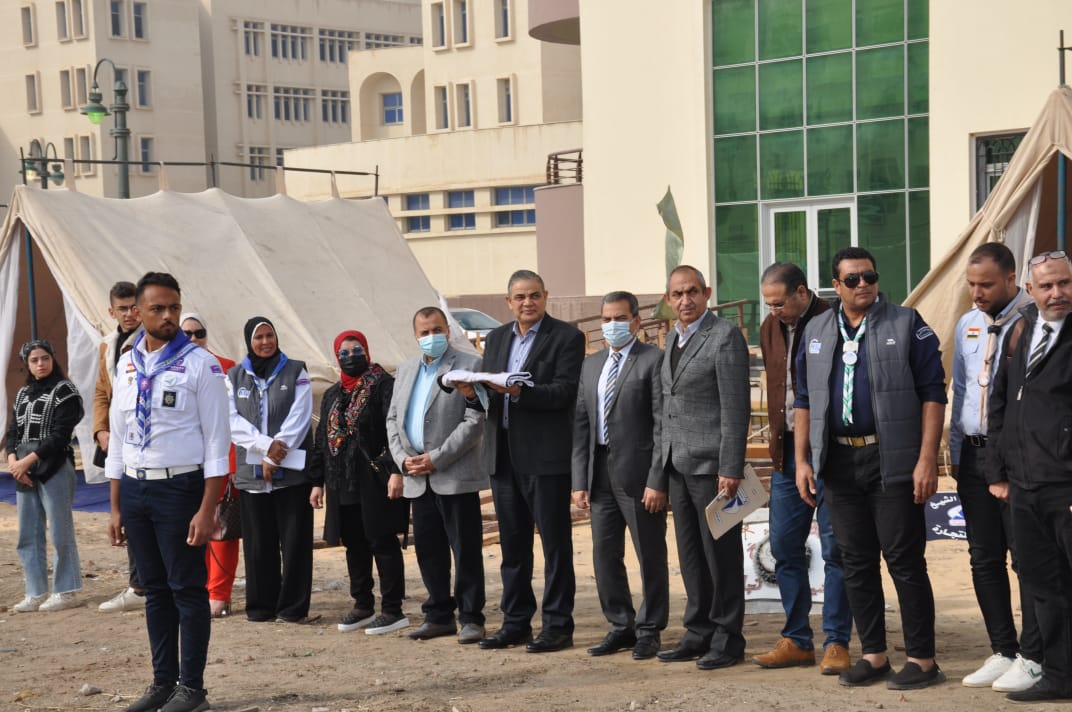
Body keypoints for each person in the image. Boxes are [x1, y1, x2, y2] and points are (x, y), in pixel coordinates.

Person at [794, 247, 947, 690]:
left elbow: (933, 393)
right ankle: (874, 655)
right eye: (853, 279)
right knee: (855, 562)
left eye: (870, 277)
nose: (863, 284)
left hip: (892, 459)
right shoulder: (816, 329)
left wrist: (926, 459)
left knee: (904, 561)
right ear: (835, 286)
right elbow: (803, 399)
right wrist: (803, 460)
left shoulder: (907, 323)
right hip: (839, 461)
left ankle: (922, 660)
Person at [105, 272, 231, 712]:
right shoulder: (126, 364)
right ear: (137, 312)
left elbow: (217, 443)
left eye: (173, 307)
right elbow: (118, 439)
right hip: (135, 488)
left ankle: (192, 689)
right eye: (157, 308)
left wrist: (207, 509)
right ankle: (163, 683)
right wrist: (116, 506)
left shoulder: (201, 364)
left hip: (180, 488)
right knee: (154, 590)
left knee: (187, 589)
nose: (168, 316)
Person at [455, 269, 584, 653]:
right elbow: (490, 396)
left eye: (534, 295)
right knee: (513, 548)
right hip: (503, 456)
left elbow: (564, 392)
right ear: (508, 301)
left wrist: (519, 392)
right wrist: (471, 394)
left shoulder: (567, 337)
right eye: (520, 297)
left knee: (555, 547)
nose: (528, 303)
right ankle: (515, 623)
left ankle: (558, 626)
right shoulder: (496, 338)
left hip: (545, 458)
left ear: (546, 296)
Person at [949, 243, 1042, 692]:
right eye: (971, 284)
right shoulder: (967, 323)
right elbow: (961, 389)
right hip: (974, 453)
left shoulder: (1035, 323)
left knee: (1027, 558)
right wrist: (955, 449)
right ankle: (1003, 649)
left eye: (986, 284)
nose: (977, 293)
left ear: (1011, 279)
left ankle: (1035, 655)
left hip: (1019, 456)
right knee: (983, 556)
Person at [755, 262, 852, 674]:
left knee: (836, 551)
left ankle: (836, 641)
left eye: (779, 303)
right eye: (768, 304)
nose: (774, 311)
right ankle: (797, 638)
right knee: (783, 547)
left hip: (831, 455)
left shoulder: (834, 321)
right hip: (786, 456)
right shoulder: (770, 328)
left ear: (802, 292)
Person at [988, 250, 1072, 703]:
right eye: (1047, 286)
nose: (1057, 293)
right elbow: (1000, 402)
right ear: (1030, 289)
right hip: (1025, 485)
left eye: (1064, 283)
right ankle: (1059, 676)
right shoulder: (1021, 329)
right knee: (1044, 586)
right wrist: (998, 470)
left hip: (1065, 485)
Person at [656, 265, 750, 671]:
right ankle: (698, 631)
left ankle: (728, 638)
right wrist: (662, 465)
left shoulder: (724, 336)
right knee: (691, 555)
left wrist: (731, 466)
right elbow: (668, 407)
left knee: (721, 557)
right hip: (679, 465)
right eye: (677, 294)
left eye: (692, 291)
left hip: (714, 469)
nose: (685, 300)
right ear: (668, 299)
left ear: (707, 293)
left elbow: (735, 408)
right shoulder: (672, 338)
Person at [571, 290, 669, 661]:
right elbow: (581, 424)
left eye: (620, 318)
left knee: (650, 555)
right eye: (607, 319)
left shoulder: (652, 360)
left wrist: (657, 479)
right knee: (604, 555)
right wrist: (579, 480)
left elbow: (661, 425)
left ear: (636, 321)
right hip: (599, 475)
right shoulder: (591, 365)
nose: (613, 325)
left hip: (640, 476)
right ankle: (620, 625)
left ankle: (650, 629)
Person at [386, 307, 487, 644]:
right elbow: (393, 419)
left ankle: (471, 617)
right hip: (416, 476)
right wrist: (403, 460)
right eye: (425, 332)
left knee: (465, 549)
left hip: (453, 473)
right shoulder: (405, 370)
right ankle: (438, 615)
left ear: (447, 330)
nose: (432, 337)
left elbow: (475, 419)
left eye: (437, 330)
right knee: (429, 550)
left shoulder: (469, 365)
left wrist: (438, 458)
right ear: (415, 336)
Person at [309, 330, 409, 635]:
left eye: (356, 351)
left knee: (382, 540)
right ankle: (362, 605)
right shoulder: (332, 394)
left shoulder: (383, 385)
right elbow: (321, 440)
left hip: (375, 477)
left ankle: (392, 609)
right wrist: (317, 481)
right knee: (354, 543)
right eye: (344, 353)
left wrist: (397, 470)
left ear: (366, 351)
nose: (351, 357)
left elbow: (396, 430)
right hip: (342, 479)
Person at [226, 317, 315, 625]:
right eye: (258, 337)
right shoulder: (234, 376)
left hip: (291, 474)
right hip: (252, 475)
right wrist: (266, 447)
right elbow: (232, 421)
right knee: (258, 544)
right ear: (249, 342)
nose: (265, 342)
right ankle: (261, 607)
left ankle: (292, 608)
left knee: (295, 543)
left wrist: (277, 455)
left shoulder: (296, 371)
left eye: (269, 335)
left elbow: (300, 416)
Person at [6, 339, 84, 613]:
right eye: (34, 360)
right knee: (28, 532)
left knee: (60, 530)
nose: (41, 364)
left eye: (45, 358)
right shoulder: (23, 394)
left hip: (55, 465)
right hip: (23, 468)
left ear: (53, 359)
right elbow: (13, 431)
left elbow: (60, 434)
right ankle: (35, 591)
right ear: (27, 364)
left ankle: (66, 590)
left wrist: (27, 461)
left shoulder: (65, 391)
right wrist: (13, 462)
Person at [181, 312, 239, 619]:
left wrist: (230, 463)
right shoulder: (167, 367)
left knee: (221, 529)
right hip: (183, 460)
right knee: (188, 528)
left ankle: (218, 593)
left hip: (220, 459)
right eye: (187, 333)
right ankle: (197, 590)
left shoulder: (227, 367)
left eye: (199, 333)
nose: (193, 339)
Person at [95, 281, 147, 613]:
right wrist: (101, 430)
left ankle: (143, 585)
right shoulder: (108, 344)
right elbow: (102, 390)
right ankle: (139, 583)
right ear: (112, 311)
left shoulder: (149, 340)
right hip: (117, 437)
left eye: (133, 307)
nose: (129, 314)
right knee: (127, 511)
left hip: (143, 435)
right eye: (122, 308)